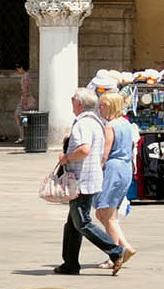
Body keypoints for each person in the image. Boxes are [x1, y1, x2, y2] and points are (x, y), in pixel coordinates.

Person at [56, 88, 121, 274]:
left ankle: (116, 251)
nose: (71, 101)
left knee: (82, 222)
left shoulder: (83, 124)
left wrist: (66, 158)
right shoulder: (96, 122)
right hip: (89, 177)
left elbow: (84, 149)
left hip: (82, 180)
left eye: (73, 99)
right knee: (73, 224)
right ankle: (69, 263)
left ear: (79, 103)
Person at [94, 90, 138, 271]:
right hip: (125, 168)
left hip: (113, 169)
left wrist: (96, 170)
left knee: (108, 215)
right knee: (101, 213)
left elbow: (104, 154)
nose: (100, 108)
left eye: (102, 105)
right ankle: (124, 246)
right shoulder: (127, 125)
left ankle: (115, 254)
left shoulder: (111, 126)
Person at [14, 64, 34, 142]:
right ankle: (24, 136)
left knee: (17, 116)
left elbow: (26, 88)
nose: (17, 71)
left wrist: (25, 100)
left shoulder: (25, 76)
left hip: (25, 99)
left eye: (18, 69)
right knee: (23, 117)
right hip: (25, 98)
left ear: (22, 68)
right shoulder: (27, 75)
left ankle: (22, 136)